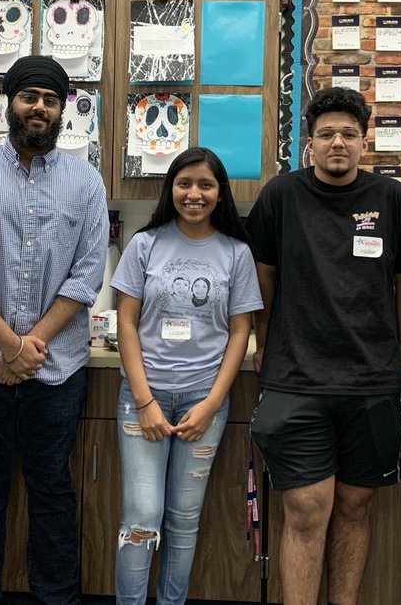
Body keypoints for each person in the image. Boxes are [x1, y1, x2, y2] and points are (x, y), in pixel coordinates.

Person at [247, 86, 401, 605]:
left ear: (363, 143)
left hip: (371, 379)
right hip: (296, 377)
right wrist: (265, 343)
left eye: (348, 134)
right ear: (309, 143)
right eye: (326, 134)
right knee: (307, 507)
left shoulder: (390, 198)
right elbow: (262, 276)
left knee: (354, 505)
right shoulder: (280, 195)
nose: (338, 143)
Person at [0, 55, 109, 605]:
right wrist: (11, 348)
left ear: (63, 112)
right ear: (8, 103)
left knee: (52, 488)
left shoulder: (86, 181)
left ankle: (57, 598)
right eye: (30, 96)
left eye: (51, 100)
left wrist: (30, 348)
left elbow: (87, 274)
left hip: (57, 369)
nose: (39, 107)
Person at [112, 146, 262, 605]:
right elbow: (126, 323)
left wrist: (211, 404)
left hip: (204, 401)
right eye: (184, 183)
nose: (194, 194)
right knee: (141, 515)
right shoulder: (145, 243)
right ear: (170, 188)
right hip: (144, 398)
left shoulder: (236, 253)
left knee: (183, 518)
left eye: (205, 185)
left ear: (220, 194)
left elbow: (241, 331)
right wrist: (144, 401)